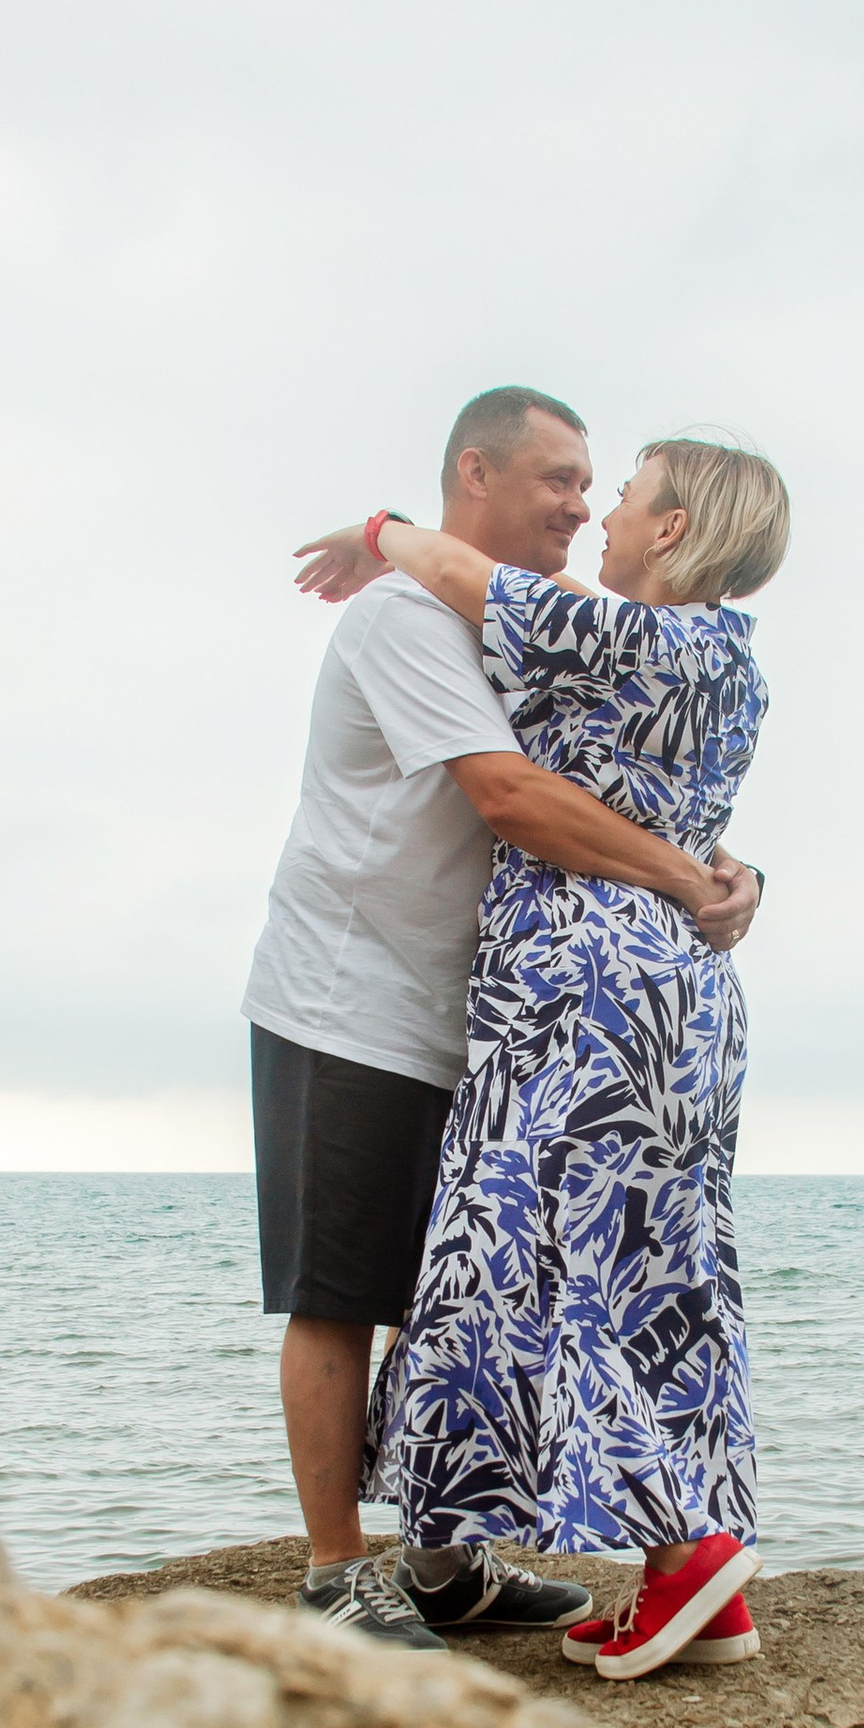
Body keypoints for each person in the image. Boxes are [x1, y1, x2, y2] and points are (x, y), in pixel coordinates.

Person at [243, 387, 763, 1652]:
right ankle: (334, 1570)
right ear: (475, 473)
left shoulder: (543, 625)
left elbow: (620, 766)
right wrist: (691, 875)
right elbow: (514, 795)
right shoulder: (408, 618)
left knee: (453, 1289)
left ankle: (443, 1562)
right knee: (340, 1288)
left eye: (598, 486)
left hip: (491, 1015)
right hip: (353, 998)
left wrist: (723, 863)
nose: (582, 507)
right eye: (560, 480)